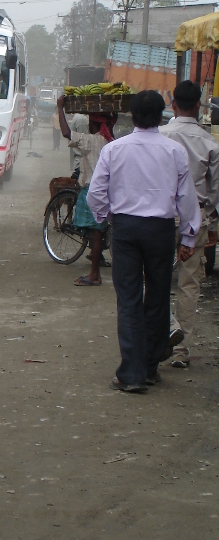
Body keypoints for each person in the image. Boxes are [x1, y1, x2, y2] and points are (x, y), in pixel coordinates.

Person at [87, 90, 201, 393]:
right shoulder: (174, 151)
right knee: (158, 297)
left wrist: (107, 216)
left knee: (129, 300)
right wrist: (189, 235)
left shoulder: (115, 149)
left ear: (132, 116)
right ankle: (150, 368)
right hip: (161, 230)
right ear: (162, 115)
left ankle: (132, 373)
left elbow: (95, 194)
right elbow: (186, 199)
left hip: (126, 228)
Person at [160, 80, 219, 368]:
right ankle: (181, 352)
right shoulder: (210, 142)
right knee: (189, 284)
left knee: (153, 278)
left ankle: (168, 327)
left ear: (173, 104)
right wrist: (214, 225)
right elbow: (215, 189)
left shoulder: (160, 135)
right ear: (199, 105)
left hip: (161, 218)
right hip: (196, 220)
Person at [56, 96, 116, 286]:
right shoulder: (111, 141)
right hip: (109, 191)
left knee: (94, 231)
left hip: (93, 190)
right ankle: (97, 260)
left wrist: (60, 109)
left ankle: (94, 274)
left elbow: (66, 133)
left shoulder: (90, 140)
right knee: (100, 229)